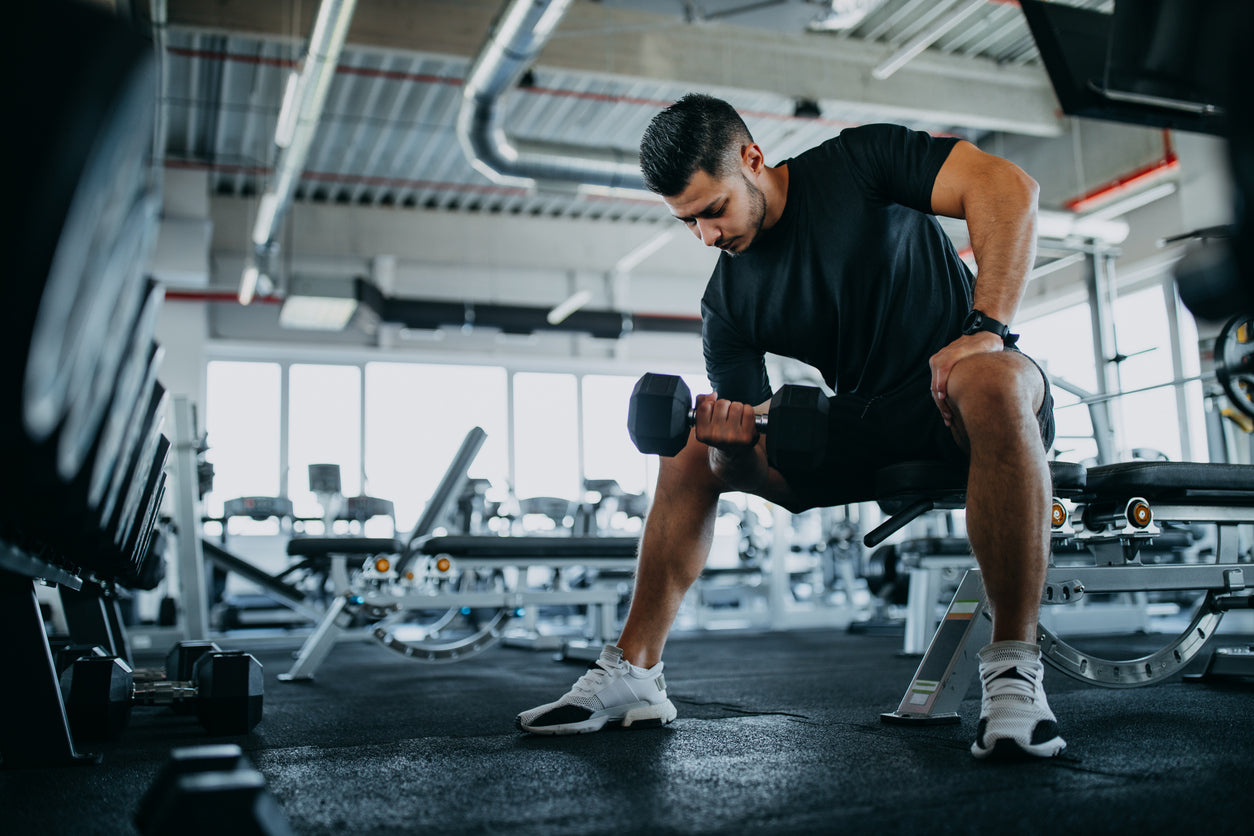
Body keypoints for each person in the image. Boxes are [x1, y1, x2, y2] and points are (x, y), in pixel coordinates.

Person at [516, 93, 1065, 760]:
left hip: (969, 403)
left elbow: (1009, 186)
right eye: (689, 223)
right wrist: (731, 449)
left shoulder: (860, 162)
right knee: (692, 445)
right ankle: (635, 672)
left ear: (752, 158)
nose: (708, 237)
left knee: (991, 376)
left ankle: (1012, 673)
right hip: (868, 427)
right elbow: (752, 460)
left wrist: (985, 332)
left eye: (712, 210)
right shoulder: (728, 304)